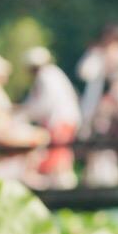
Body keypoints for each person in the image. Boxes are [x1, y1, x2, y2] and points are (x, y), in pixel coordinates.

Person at [0, 52, 50, 185]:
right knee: (41, 136)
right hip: (0, 136)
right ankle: (28, 176)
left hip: (2, 133)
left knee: (39, 135)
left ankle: (27, 175)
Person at [19, 46, 81, 189]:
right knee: (59, 151)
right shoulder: (51, 74)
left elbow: (43, 104)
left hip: (60, 120)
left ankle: (62, 186)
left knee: (58, 151)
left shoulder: (45, 77)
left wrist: (24, 113)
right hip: (63, 119)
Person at [75, 25, 118, 187]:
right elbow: (85, 72)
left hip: (111, 109)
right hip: (100, 112)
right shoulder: (98, 55)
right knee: (98, 145)